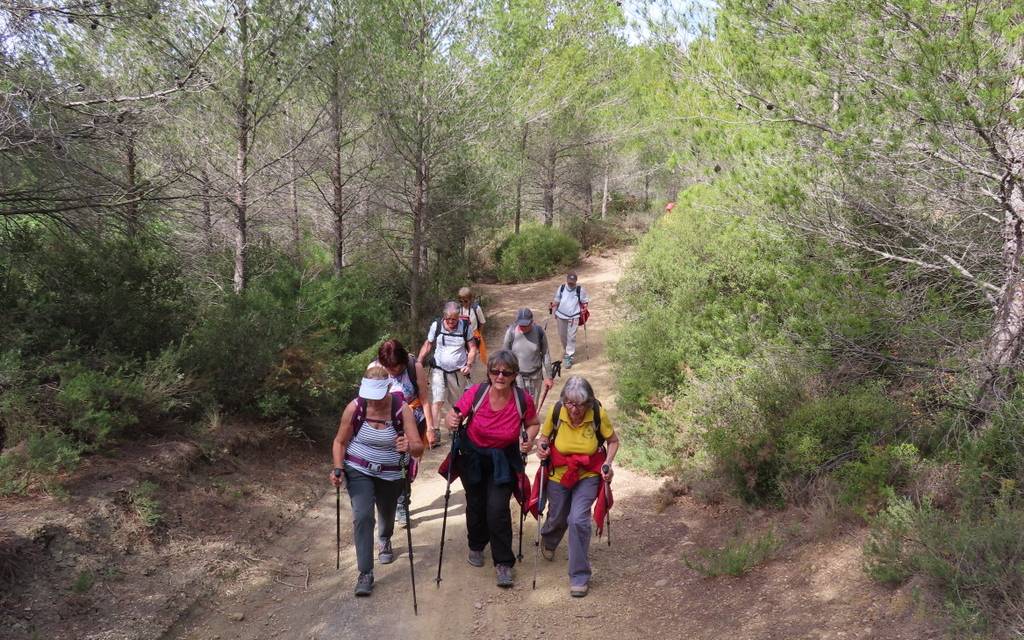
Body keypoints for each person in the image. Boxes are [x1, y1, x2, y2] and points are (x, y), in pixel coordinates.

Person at [444, 350, 540, 588]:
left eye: (506, 372)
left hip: (503, 459)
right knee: (476, 504)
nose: (500, 376)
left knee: (497, 509)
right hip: (473, 456)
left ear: (514, 375)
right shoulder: (477, 393)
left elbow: (533, 423)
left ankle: (503, 563)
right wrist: (451, 420)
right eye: (495, 371)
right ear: (488, 373)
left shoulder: (521, 399)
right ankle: (476, 544)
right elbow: (454, 414)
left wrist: (527, 438)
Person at [330, 366, 424, 597]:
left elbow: (419, 448)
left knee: (387, 511)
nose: (371, 400)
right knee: (362, 516)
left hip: (391, 472)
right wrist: (338, 467)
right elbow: (340, 442)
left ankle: (385, 538)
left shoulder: (402, 411)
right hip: (359, 468)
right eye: (368, 394)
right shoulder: (356, 407)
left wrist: (409, 446)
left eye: (376, 394)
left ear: (389, 388)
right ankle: (365, 573)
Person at [536, 376, 619, 598]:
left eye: (580, 404)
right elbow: (543, 438)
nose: (574, 410)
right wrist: (541, 448)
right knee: (558, 516)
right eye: (570, 404)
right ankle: (550, 537)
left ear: (589, 403)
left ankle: (579, 575)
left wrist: (607, 464)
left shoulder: (597, 414)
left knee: (578, 519)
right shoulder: (557, 411)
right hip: (559, 473)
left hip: (588, 474)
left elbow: (613, 441)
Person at [371, 339, 433, 527]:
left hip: (413, 422)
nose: (392, 371)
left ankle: (402, 506)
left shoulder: (415, 367)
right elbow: (367, 402)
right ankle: (388, 506)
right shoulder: (374, 369)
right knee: (387, 467)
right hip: (385, 426)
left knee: (405, 468)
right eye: (388, 367)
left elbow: (424, 399)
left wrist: (430, 427)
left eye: (396, 368)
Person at [418, 301, 478, 448]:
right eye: (448, 319)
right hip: (439, 369)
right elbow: (428, 344)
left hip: (458, 372)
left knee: (456, 402)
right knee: (437, 400)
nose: (451, 322)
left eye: (454, 319)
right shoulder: (436, 326)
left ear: (458, 317)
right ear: (444, 316)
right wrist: (419, 361)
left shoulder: (465, 327)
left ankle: (454, 427)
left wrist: (469, 365)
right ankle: (435, 431)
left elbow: (472, 348)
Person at [502, 308, 554, 404]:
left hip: (535, 377)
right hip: (517, 377)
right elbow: (505, 355)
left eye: (526, 325)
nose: (523, 327)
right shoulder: (511, 332)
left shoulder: (539, 332)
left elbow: (545, 354)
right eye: (520, 325)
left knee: (533, 406)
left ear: (532, 322)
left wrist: (549, 377)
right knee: (518, 405)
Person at [550, 272, 590, 370]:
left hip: (574, 316)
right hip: (561, 315)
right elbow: (557, 300)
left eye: (573, 282)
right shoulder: (562, 288)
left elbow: (585, 301)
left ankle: (569, 356)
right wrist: (553, 310)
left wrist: (584, 308)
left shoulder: (580, 290)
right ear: (567, 280)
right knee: (562, 335)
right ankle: (566, 349)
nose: (571, 284)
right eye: (569, 282)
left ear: (576, 281)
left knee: (571, 337)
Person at [458, 286, 488, 365]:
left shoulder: (476, 308)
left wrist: (479, 334)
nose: (463, 303)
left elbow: (482, 322)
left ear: (470, 299)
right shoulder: (459, 309)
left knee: (474, 357)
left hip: (474, 335)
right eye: (461, 301)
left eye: (465, 301)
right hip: (462, 336)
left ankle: (473, 370)